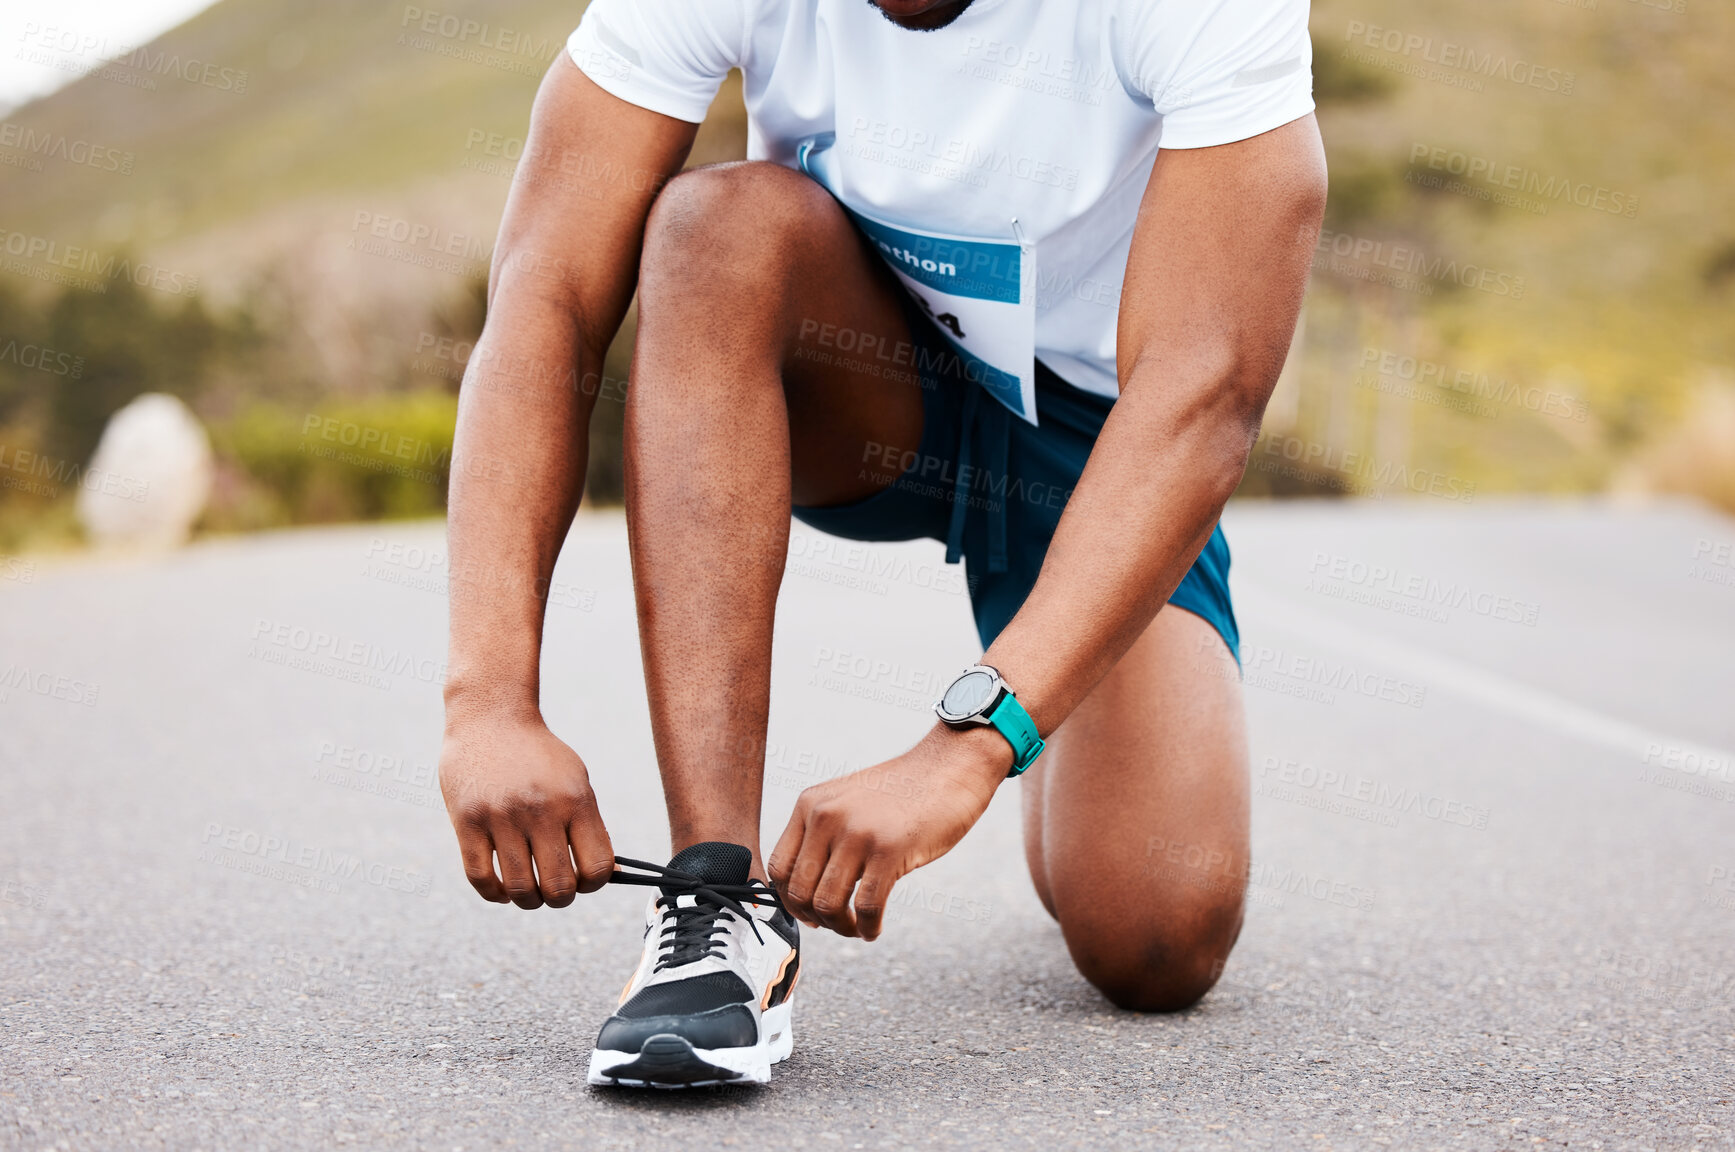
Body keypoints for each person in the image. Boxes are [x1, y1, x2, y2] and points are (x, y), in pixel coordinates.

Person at [437, 0, 1326, 1088]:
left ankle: (1055, 665)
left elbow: (1206, 393)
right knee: (711, 229)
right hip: (864, 380)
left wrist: (972, 742)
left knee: (1153, 938)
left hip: (1103, 438)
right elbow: (545, 296)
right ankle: (715, 903)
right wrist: (486, 702)